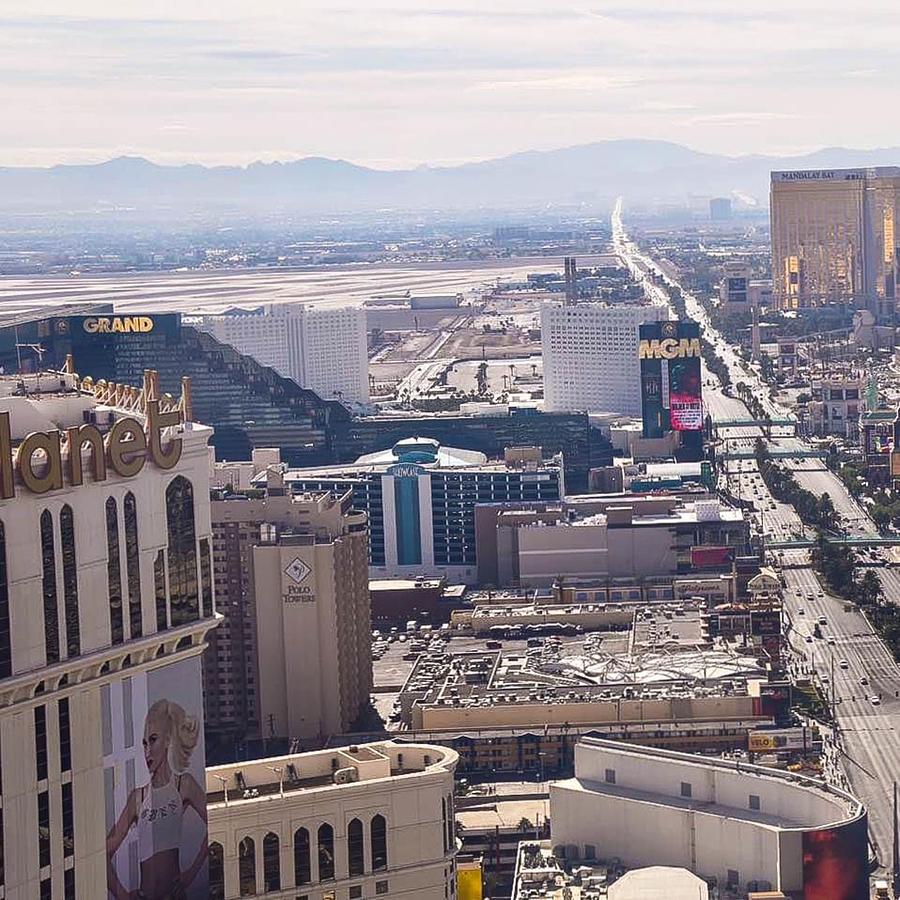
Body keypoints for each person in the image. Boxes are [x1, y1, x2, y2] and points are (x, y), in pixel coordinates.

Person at [107, 699, 208, 900]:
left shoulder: (183, 785)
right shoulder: (138, 797)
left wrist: (191, 873)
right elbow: (106, 850)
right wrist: (123, 895)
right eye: (144, 743)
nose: (147, 752)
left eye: (153, 740)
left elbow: (212, 822)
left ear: (168, 740)